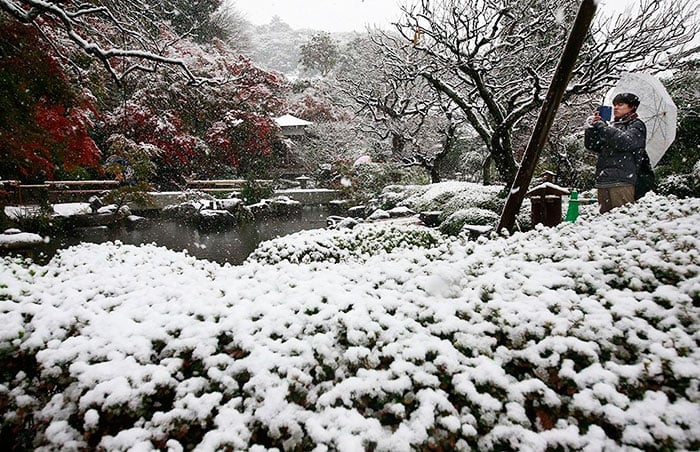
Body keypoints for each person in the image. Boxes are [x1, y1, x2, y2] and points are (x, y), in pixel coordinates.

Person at [584, 92, 652, 213]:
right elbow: (593, 146)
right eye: (614, 104)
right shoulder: (612, 126)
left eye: (620, 104)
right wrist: (592, 128)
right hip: (604, 179)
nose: (616, 107)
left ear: (632, 107)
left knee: (622, 218)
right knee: (604, 222)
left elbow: (625, 142)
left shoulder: (636, 125)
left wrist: (603, 127)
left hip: (622, 181)